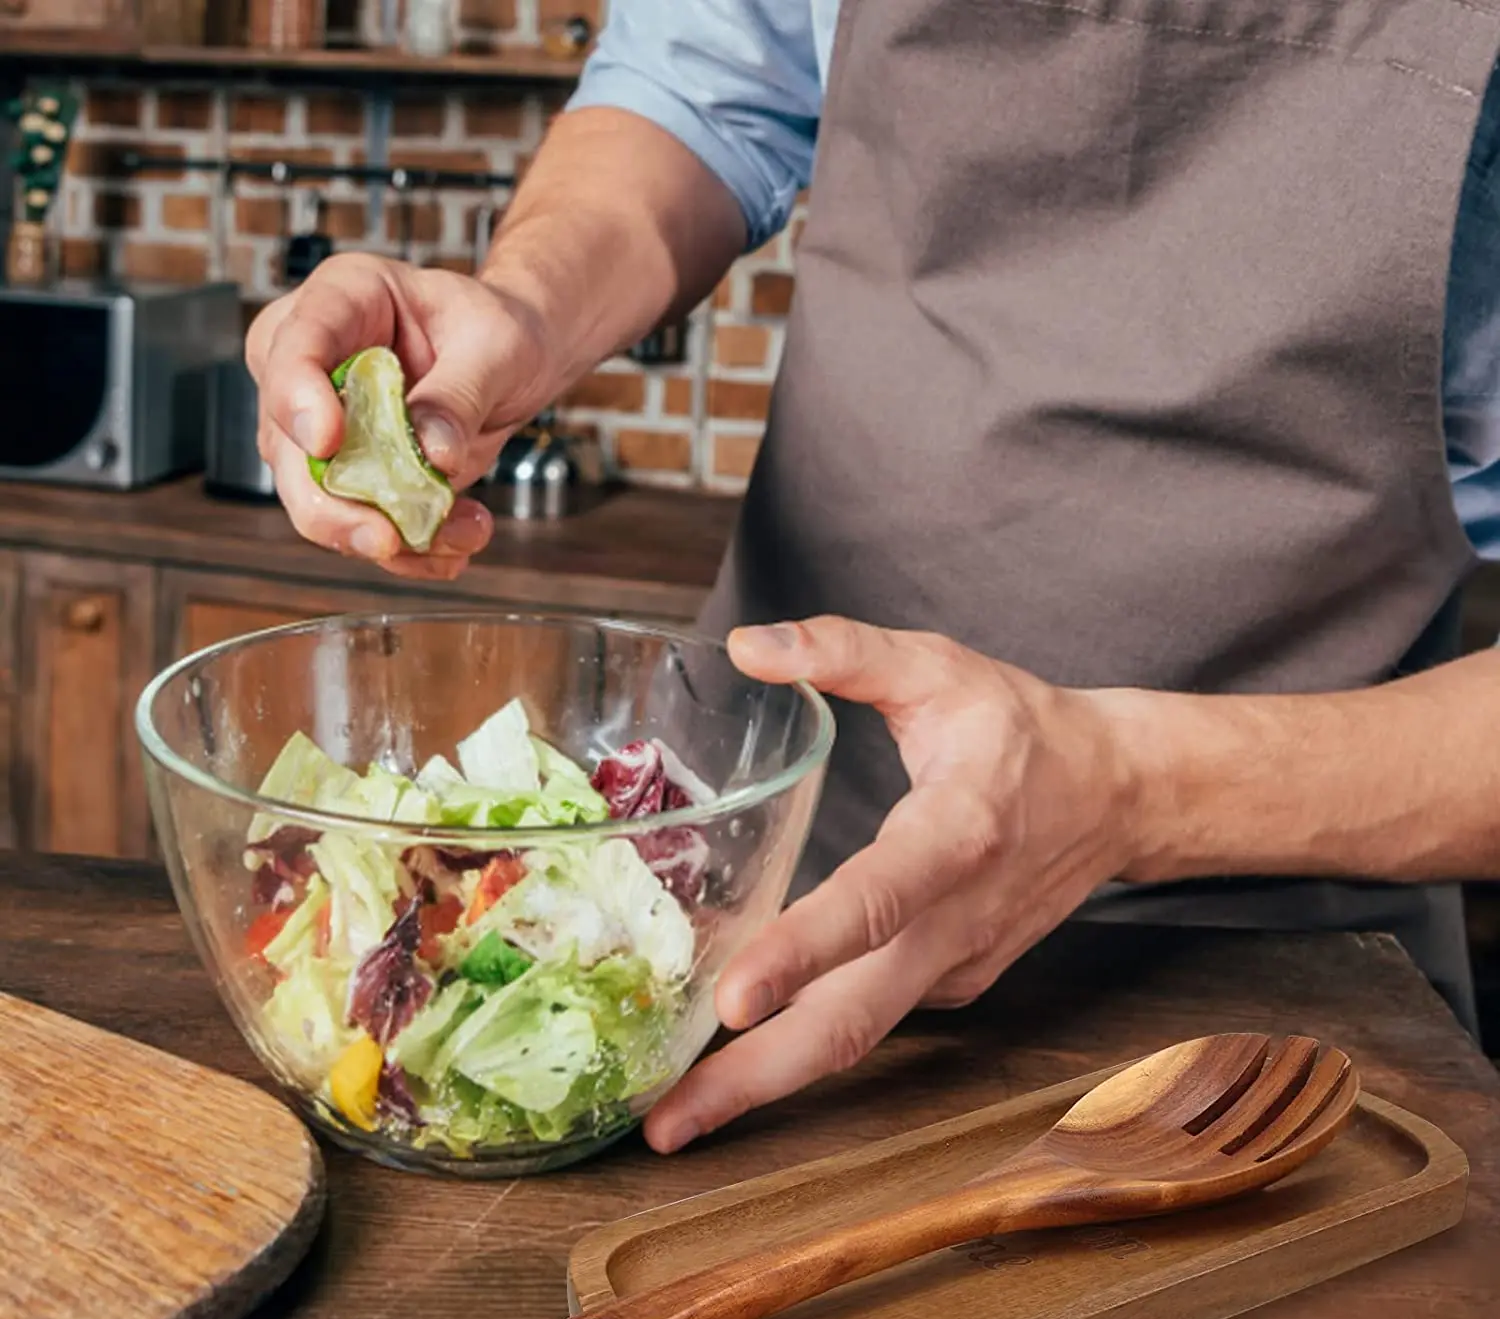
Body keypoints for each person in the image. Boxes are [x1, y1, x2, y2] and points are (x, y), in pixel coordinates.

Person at [250, 0, 1500, 1156]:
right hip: (736, 921)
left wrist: (1128, 787)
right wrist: (522, 311)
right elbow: (699, 94)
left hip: (1272, 1014)